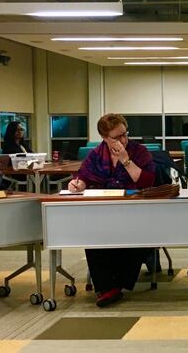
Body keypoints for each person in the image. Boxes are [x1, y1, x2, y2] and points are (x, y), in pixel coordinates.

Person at [68, 113, 156, 307]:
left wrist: (126, 160)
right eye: (117, 137)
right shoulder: (97, 155)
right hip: (104, 209)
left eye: (125, 134)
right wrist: (78, 184)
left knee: (133, 235)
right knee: (94, 235)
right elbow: (84, 177)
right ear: (105, 138)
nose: (123, 140)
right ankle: (106, 288)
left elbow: (148, 181)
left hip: (135, 210)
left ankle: (116, 285)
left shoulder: (138, 151)